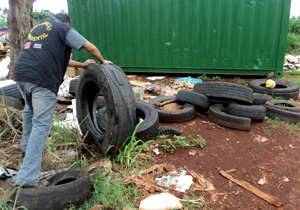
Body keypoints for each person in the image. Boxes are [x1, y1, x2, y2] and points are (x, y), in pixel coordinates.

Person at [13, 13, 112, 188]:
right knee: (41, 125)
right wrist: (103, 61)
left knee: (29, 112)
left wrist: (82, 66)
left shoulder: (40, 28)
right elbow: (90, 47)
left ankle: (25, 153)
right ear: (66, 22)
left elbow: (59, 58)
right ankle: (28, 178)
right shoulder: (63, 28)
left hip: (21, 75)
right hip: (42, 79)